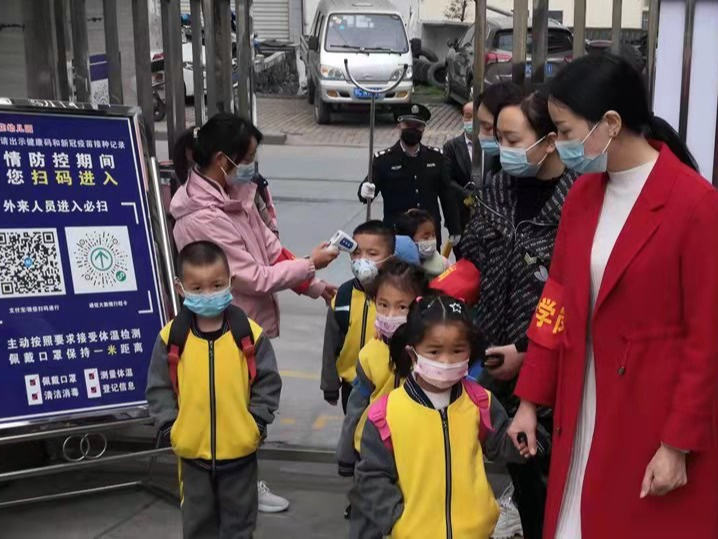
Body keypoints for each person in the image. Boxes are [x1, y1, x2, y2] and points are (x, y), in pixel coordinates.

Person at [508, 53, 718, 538]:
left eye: (563, 131)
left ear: (611, 123)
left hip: (647, 418)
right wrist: (529, 400)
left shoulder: (695, 206)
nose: (559, 145)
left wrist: (678, 444)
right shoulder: (583, 195)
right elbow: (555, 303)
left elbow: (705, 341)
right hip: (580, 404)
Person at [171, 112, 338, 512]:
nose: (251, 167)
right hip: (218, 328)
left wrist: (313, 285)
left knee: (244, 409)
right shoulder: (201, 218)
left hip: (244, 327)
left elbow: (270, 250)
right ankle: (229, 488)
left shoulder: (236, 198)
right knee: (226, 412)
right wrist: (311, 264)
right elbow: (254, 277)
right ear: (223, 160)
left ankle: (240, 482)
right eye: (247, 159)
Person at [459, 88, 580, 539]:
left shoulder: (577, 200)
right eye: (495, 137)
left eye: (511, 139)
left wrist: (528, 351)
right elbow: (470, 256)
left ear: (549, 141)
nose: (499, 148)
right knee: (517, 468)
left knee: (550, 472)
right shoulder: (493, 191)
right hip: (490, 352)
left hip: (550, 362)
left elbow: (576, 294)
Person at [349, 295, 528, 539]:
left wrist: (527, 438)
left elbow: (501, 445)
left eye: (457, 351)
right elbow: (371, 477)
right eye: (434, 351)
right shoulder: (386, 414)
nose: (446, 360)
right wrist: (396, 521)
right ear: (412, 354)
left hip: (476, 533)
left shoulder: (480, 402)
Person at [146, 241, 282, 538]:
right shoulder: (172, 338)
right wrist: (171, 428)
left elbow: (267, 383)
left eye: (216, 284)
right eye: (197, 288)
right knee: (198, 525)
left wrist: (256, 424)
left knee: (239, 524)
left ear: (230, 282)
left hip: (241, 454)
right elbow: (158, 387)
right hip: (192, 456)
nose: (208, 294)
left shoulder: (248, 335)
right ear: (180, 288)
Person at [336, 258, 427, 479]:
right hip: (371, 448)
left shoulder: (427, 354)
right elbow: (355, 409)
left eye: (402, 306)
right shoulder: (369, 354)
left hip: (415, 450)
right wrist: (346, 454)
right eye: (383, 305)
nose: (390, 314)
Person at [358, 103, 461, 248]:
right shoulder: (384, 159)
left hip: (428, 235)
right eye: (408, 125)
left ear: (424, 129)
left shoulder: (436, 158)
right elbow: (367, 193)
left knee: (432, 270)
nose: (412, 129)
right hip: (397, 234)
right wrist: (364, 190)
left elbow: (447, 196)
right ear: (399, 126)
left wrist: (454, 228)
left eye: (417, 126)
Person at [321, 220, 395, 411]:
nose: (362, 260)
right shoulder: (343, 296)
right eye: (356, 253)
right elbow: (331, 342)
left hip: (388, 384)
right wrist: (329, 383)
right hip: (352, 386)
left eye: (372, 254)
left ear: (391, 258)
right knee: (354, 432)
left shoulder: (397, 297)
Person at [173, 125, 279, 236]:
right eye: (192, 167)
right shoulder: (187, 212)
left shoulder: (247, 190)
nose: (198, 172)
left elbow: (271, 233)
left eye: (202, 165)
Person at [394, 209, 450, 278]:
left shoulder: (443, 264)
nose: (432, 240)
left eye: (433, 235)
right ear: (408, 240)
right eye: (426, 238)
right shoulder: (397, 267)